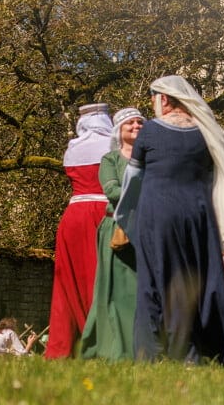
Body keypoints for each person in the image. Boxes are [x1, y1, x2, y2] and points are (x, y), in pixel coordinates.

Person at [115, 75, 224, 363]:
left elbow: (133, 178)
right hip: (198, 217)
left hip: (158, 215)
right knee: (198, 280)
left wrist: (125, 215)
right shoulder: (206, 133)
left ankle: (150, 352)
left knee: (155, 279)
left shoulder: (149, 131)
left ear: (164, 98)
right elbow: (218, 178)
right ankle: (204, 349)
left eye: (154, 99)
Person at [46, 103, 113, 359]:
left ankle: (63, 347)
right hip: (103, 213)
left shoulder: (72, 149)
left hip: (73, 215)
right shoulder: (115, 146)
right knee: (101, 277)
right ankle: (100, 341)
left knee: (67, 282)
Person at [79, 107, 144, 360]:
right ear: (120, 129)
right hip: (117, 230)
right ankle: (113, 348)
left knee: (141, 290)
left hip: (145, 229)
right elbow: (113, 192)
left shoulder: (152, 159)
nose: (137, 126)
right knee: (117, 292)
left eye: (140, 122)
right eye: (131, 123)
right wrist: (143, 188)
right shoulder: (111, 160)